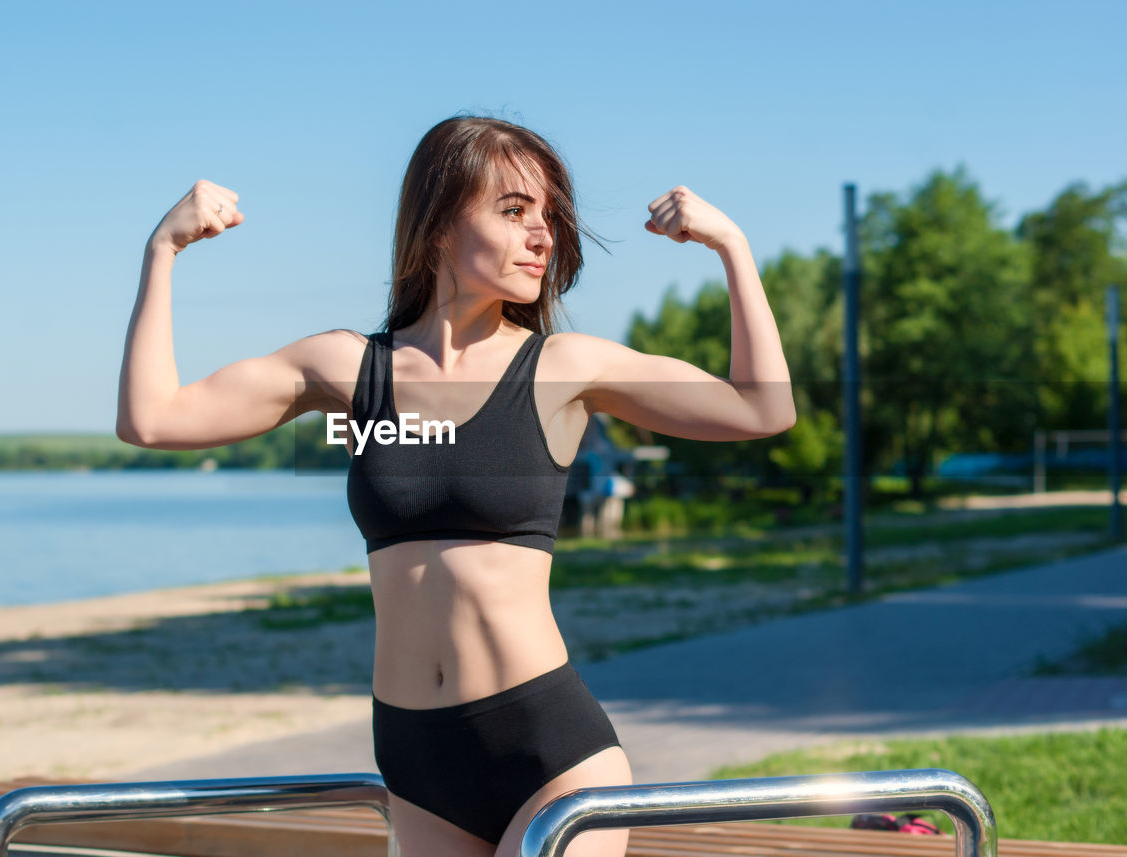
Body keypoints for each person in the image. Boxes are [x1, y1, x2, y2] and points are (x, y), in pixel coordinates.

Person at [116, 115, 795, 857]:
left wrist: (733, 247)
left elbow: (761, 407)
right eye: (513, 210)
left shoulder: (562, 367)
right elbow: (151, 418)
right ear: (438, 223)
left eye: (549, 218)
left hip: (548, 750)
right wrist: (163, 251)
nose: (542, 234)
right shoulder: (349, 368)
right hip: (416, 756)